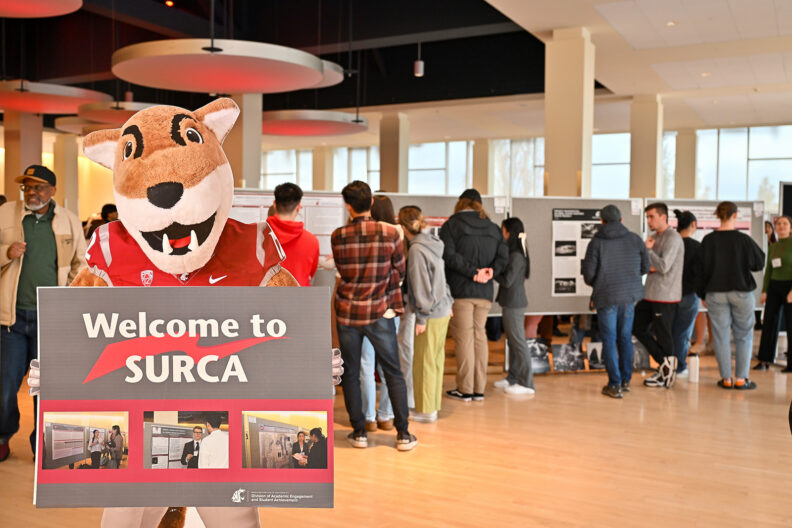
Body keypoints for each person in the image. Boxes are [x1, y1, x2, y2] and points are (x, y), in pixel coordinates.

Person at [0, 164, 87, 462]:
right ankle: (2, 436)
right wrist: (6, 252)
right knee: (5, 386)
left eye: (38, 187)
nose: (31, 192)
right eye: (27, 187)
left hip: (50, 319)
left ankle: (42, 444)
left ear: (52, 190)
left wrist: (66, 298)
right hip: (10, 320)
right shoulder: (5, 214)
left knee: (45, 387)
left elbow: (81, 263)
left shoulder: (69, 221)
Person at [332, 180, 417, 452]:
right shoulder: (391, 233)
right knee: (393, 371)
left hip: (348, 312)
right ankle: (403, 434)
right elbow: (400, 271)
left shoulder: (338, 236)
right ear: (370, 202)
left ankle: (359, 432)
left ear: (348, 206)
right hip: (380, 311)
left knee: (352, 372)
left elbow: (343, 271)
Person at [440, 189, 508, 402]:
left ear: (461, 203)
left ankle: (465, 389)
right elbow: (503, 256)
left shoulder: (451, 225)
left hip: (461, 291)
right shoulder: (493, 227)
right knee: (479, 336)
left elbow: (449, 256)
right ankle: (479, 389)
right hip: (485, 292)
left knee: (464, 339)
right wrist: (490, 272)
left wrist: (472, 272)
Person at [582, 205, 650, 398]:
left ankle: (614, 384)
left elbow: (588, 274)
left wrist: (600, 282)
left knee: (609, 340)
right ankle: (626, 380)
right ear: (621, 220)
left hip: (606, 297)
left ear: (602, 221)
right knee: (625, 338)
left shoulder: (596, 242)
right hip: (629, 298)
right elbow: (645, 267)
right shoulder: (635, 239)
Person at [698, 201, 765, 389]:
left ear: (718, 215)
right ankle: (742, 379)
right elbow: (759, 262)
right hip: (741, 292)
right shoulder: (743, 240)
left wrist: (702, 294)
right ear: (735, 215)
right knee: (744, 335)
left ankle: (726, 379)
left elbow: (700, 270)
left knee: (720, 336)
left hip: (715, 293)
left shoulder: (708, 240)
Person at [398, 206, 453, 422]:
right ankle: (432, 406)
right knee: (435, 360)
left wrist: (421, 317)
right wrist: (449, 302)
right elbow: (441, 278)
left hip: (428, 313)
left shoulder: (416, 250)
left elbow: (420, 286)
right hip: (442, 309)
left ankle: (425, 411)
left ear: (403, 228)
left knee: (423, 363)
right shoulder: (433, 244)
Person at [358, 195, 403, 431]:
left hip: (366, 308)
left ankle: (368, 418)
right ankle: (386, 415)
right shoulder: (399, 235)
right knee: (389, 363)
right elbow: (401, 274)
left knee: (366, 363)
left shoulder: (367, 234)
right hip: (390, 308)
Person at [633, 202, 684, 389]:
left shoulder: (673, 238)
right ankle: (665, 364)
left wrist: (649, 251)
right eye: (647, 217)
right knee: (636, 326)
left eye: (651, 217)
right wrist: (650, 262)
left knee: (664, 335)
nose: (648, 221)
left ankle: (667, 373)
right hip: (650, 293)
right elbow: (645, 266)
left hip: (666, 296)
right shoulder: (653, 238)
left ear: (663, 217)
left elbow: (662, 266)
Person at [492, 217, 535, 395]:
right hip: (510, 302)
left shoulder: (516, 255)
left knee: (518, 342)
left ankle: (527, 383)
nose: (502, 234)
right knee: (513, 341)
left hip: (514, 303)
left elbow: (507, 280)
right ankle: (513, 377)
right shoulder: (515, 253)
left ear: (509, 232)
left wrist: (492, 272)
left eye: (503, 231)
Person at [755, 215, 792, 371]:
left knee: (791, 324)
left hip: (790, 286)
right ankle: (764, 361)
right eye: (779, 224)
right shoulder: (773, 246)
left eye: (785, 224)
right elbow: (769, 270)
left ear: (791, 228)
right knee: (769, 323)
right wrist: (764, 291)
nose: (781, 226)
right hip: (774, 286)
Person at [266, 183, 319, 287]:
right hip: (301, 296)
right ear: (298, 207)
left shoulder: (258, 236)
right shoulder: (312, 241)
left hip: (266, 296)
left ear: (274, 204)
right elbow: (311, 273)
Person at [671, 210, 702, 377]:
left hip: (669, 295)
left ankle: (669, 364)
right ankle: (680, 366)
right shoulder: (697, 247)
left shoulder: (671, 244)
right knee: (683, 333)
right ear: (693, 225)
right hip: (689, 294)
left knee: (671, 331)